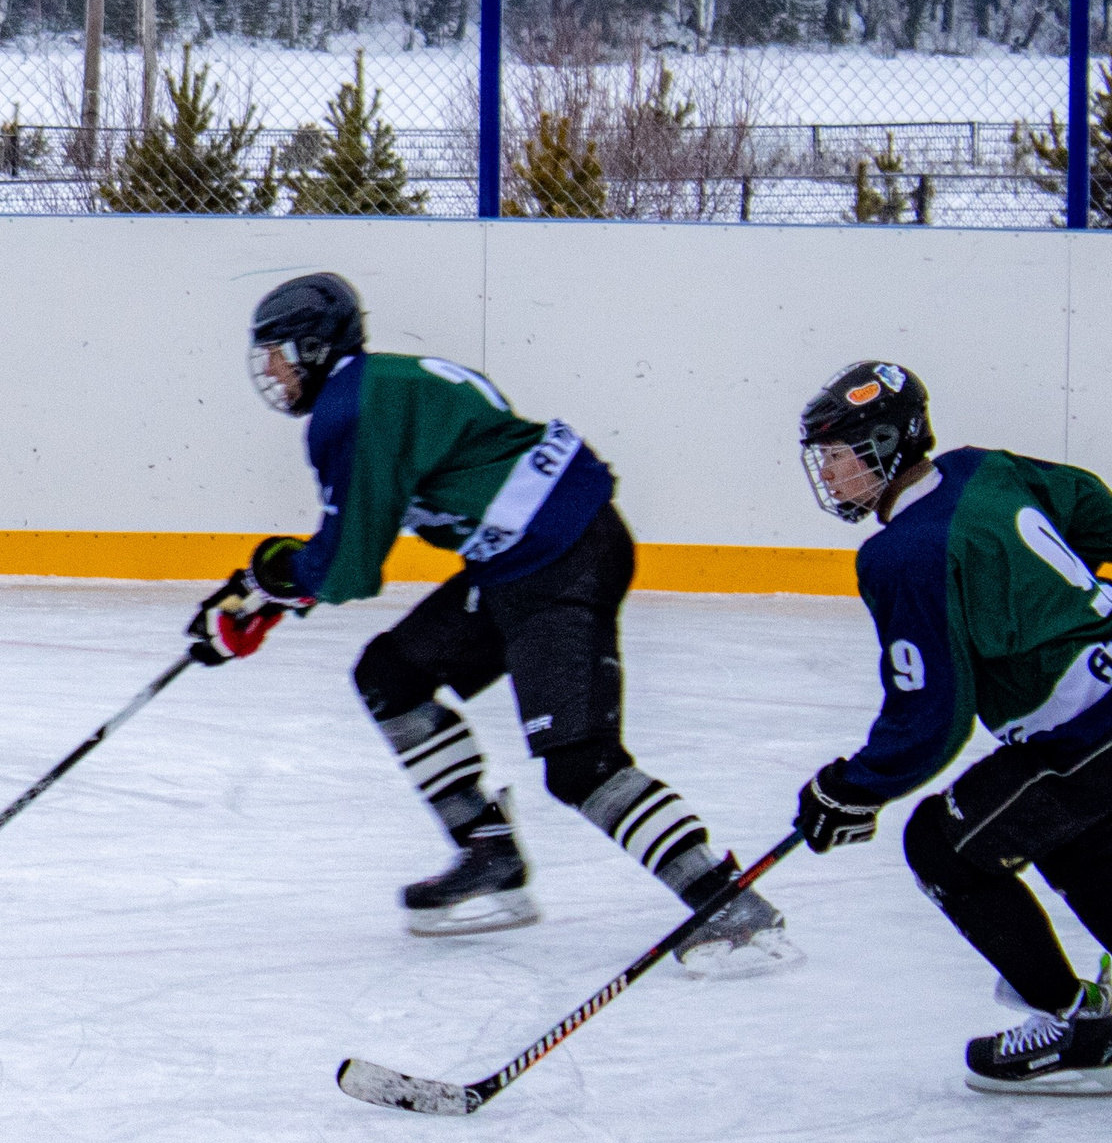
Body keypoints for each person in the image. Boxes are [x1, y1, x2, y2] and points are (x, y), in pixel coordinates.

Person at [186, 271, 796, 977]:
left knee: (580, 763)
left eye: (281, 352)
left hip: (557, 558)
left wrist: (268, 581)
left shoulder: (349, 410)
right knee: (392, 675)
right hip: (527, 556)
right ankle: (489, 851)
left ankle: (727, 903)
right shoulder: (384, 382)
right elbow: (367, 530)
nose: (271, 370)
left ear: (318, 349)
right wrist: (265, 594)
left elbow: (350, 566)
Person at [788, 359, 1112, 1094]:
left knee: (944, 847)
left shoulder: (902, 553)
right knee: (1080, 849)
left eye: (841, 455)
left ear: (889, 445)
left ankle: (1069, 1027)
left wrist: (851, 789)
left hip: (1089, 730)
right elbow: (1097, 512)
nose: (830, 475)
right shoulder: (981, 469)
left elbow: (932, 715)